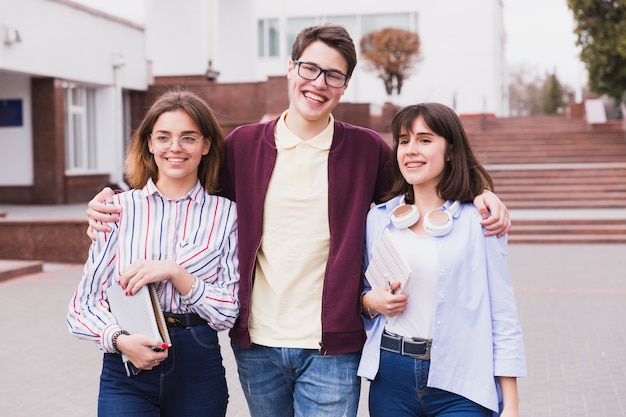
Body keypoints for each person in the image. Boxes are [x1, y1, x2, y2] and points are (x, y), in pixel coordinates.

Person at [85, 25, 510, 417]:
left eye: (334, 75)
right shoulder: (243, 146)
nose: (319, 83)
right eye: (310, 68)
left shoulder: (366, 150)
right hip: (259, 345)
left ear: (345, 86)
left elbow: (419, 181)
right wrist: (114, 200)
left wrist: (478, 192)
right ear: (290, 69)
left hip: (333, 347)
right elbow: (183, 189)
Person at [67, 90, 239, 417]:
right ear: (149, 143)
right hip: (127, 364)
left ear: (206, 145)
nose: (175, 147)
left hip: (198, 365)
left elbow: (228, 311)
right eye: (163, 137)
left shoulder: (226, 215)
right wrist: (118, 340)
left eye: (188, 137)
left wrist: (176, 273)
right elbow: (82, 306)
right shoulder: (116, 209)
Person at [358, 102, 526, 417]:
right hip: (391, 377)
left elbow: (502, 314)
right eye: (404, 141)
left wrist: (512, 404)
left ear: (450, 150)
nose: (410, 150)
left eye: (425, 139)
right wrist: (371, 302)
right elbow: (364, 299)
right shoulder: (378, 220)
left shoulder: (480, 220)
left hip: (461, 380)